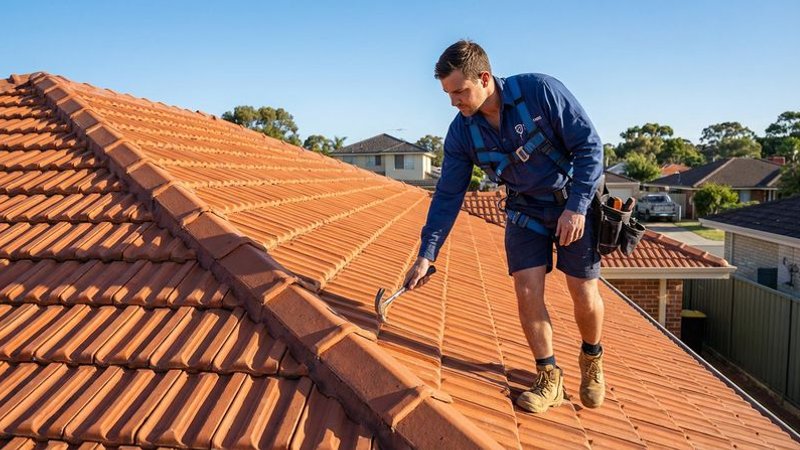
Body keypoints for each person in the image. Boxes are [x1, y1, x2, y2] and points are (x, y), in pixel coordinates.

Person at [404, 40, 605, 414]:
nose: (454, 102)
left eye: (459, 91)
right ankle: (549, 376)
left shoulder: (540, 92)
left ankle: (591, 357)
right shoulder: (462, 133)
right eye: (448, 94)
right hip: (524, 212)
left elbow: (590, 147)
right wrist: (426, 254)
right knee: (527, 291)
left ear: (484, 78)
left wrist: (577, 208)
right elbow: (447, 196)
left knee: (583, 292)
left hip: (571, 203)